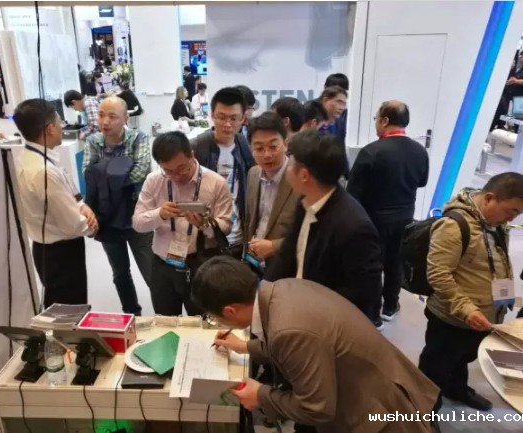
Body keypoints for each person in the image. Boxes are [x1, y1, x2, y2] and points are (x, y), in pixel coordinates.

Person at [192, 256, 440, 433]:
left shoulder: (289, 329)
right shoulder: (281, 289)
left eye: (215, 318)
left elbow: (316, 408)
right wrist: (245, 347)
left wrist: (261, 395)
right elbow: (298, 347)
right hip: (378, 387)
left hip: (379, 415)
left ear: (230, 310)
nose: (218, 323)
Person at [419, 173, 523, 411]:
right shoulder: (453, 225)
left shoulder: (495, 223)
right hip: (452, 317)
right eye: (511, 211)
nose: (512, 218)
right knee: (435, 367)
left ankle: (456, 388)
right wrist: (466, 310)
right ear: (489, 198)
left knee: (462, 358)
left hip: (481, 315)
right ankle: (423, 411)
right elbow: (438, 275)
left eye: (517, 214)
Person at [265, 129, 383, 326]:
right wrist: (264, 295)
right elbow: (287, 254)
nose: (286, 168)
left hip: (327, 324)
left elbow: (364, 295)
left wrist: (309, 311)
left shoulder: (353, 226)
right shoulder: (305, 201)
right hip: (297, 308)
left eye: (290, 162)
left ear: (304, 175)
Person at [133, 131, 233, 315]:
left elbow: (226, 225)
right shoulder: (154, 181)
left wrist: (205, 225)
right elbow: (138, 223)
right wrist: (159, 214)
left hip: (201, 263)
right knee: (166, 322)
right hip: (163, 264)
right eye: (169, 171)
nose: (177, 176)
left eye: (182, 168)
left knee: (203, 320)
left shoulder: (216, 183)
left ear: (192, 156)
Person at [347, 101, 429, 323]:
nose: (376, 123)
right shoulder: (420, 151)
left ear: (384, 121)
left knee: (372, 266)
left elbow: (352, 193)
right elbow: (422, 181)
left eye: (376, 119)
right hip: (405, 218)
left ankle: (373, 313)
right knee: (395, 262)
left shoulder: (371, 152)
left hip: (373, 219)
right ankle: (391, 305)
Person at [14, 99, 98, 307]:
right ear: (50, 128)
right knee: (69, 310)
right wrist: (92, 226)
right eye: (60, 122)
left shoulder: (30, 157)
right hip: (61, 254)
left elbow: (68, 191)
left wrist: (81, 204)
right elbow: (72, 224)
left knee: (60, 307)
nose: (63, 127)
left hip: (47, 249)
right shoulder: (44, 171)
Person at [83, 97, 153, 316]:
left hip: (137, 214)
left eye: (112, 116)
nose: (105, 121)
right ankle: (132, 314)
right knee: (120, 273)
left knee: (151, 271)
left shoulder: (138, 138)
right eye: (101, 115)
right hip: (108, 216)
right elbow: (88, 173)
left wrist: (104, 175)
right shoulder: (93, 141)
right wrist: (119, 171)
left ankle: (165, 313)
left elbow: (141, 172)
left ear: (125, 118)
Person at [191, 87, 255, 259]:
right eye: (221, 117)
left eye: (233, 118)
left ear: (243, 119)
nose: (227, 124)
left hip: (238, 237)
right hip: (205, 238)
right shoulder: (197, 148)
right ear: (212, 115)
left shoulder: (246, 148)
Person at [244, 112, 297, 270]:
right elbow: (250, 221)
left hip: (286, 267)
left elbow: (312, 235)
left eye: (273, 147)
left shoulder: (300, 179)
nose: (267, 155)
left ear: (285, 144)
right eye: (259, 148)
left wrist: (274, 246)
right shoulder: (253, 174)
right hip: (253, 261)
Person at [319, 86, 350, 179]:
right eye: (339, 102)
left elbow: (341, 148)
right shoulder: (313, 122)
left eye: (344, 104)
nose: (342, 108)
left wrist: (347, 174)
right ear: (325, 100)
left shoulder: (339, 123)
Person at [324, 73, 349, 138]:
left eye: (344, 91)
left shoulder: (344, 112)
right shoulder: (314, 110)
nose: (342, 94)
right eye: (338, 91)